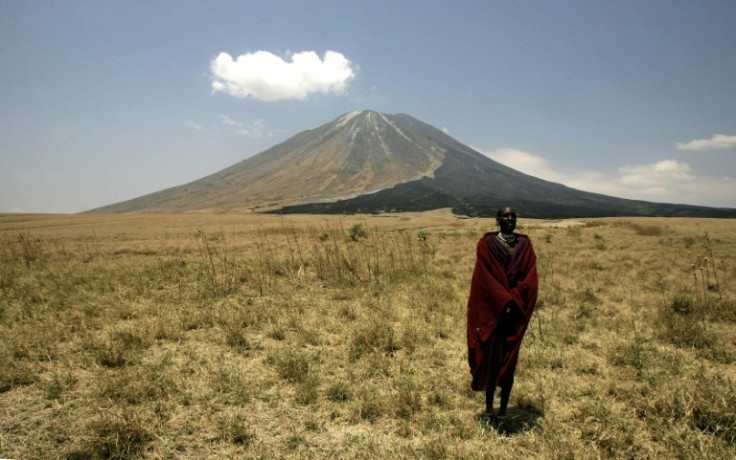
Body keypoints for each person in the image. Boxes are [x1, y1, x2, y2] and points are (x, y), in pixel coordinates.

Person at [466, 206, 538, 422]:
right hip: (492, 312)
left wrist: (514, 300)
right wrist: (502, 300)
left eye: (513, 215)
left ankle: (504, 410)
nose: (510, 219)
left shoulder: (525, 245)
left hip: (515, 312)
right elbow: (485, 279)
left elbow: (529, 279)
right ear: (497, 220)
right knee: (491, 358)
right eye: (505, 215)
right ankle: (489, 408)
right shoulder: (486, 244)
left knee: (510, 359)